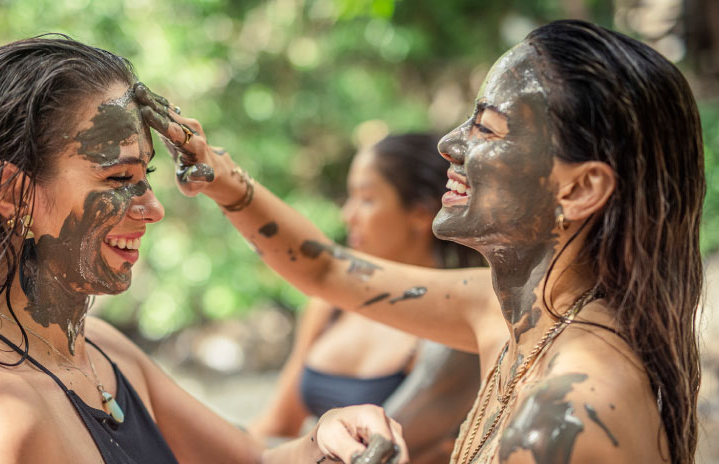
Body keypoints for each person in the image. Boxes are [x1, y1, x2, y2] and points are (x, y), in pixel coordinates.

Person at [140, 19, 703, 463]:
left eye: (486, 127)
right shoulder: (506, 310)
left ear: (580, 188)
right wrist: (220, 174)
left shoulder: (564, 412)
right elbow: (329, 272)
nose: (450, 145)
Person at [0, 37, 408, 464]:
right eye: (118, 178)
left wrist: (329, 434)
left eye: (144, 177)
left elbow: (255, 458)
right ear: (14, 194)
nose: (152, 207)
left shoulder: (105, 350)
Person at [248, 133, 482, 464]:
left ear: (419, 212)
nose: (348, 214)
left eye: (367, 199)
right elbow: (279, 423)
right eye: (350, 197)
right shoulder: (329, 307)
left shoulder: (455, 329)